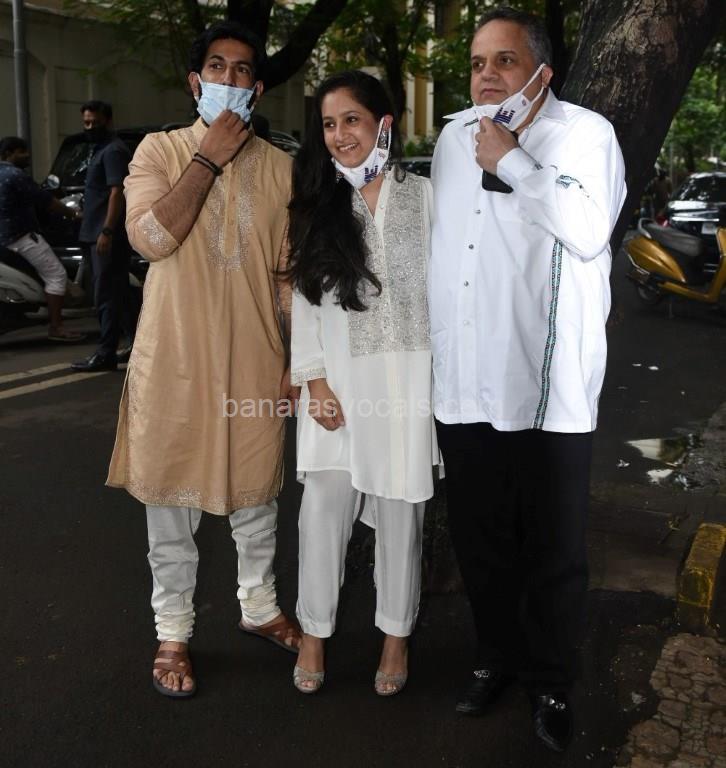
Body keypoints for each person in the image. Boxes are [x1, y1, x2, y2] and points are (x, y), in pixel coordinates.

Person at [430, 6, 626, 752]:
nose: (486, 75)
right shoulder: (453, 139)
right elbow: (447, 252)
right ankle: (495, 658)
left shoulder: (585, 135)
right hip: (464, 382)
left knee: (552, 548)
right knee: (481, 540)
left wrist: (510, 160)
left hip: (546, 391)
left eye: (504, 61)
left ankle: (550, 679)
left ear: (541, 73)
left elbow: (588, 230)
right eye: (478, 63)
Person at [106, 20, 301, 698]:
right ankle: (173, 631)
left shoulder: (281, 169)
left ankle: (260, 606)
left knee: (258, 498)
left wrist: (299, 359)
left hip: (254, 359)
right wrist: (207, 160)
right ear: (196, 82)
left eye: (242, 70)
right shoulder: (158, 151)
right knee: (171, 507)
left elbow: (286, 275)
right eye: (216, 67)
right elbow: (150, 239)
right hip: (175, 362)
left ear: (257, 89)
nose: (228, 78)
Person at [287, 70, 438, 696]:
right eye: (329, 124)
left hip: (409, 384)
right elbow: (305, 304)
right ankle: (314, 633)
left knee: (402, 517)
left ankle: (395, 637)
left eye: (352, 119)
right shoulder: (319, 207)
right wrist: (314, 382)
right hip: (340, 387)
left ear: (384, 124)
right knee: (322, 512)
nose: (340, 135)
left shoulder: (427, 198)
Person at [71, 100, 138, 371]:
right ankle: (135, 345)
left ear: (108, 121)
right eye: (86, 123)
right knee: (119, 293)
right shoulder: (99, 149)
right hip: (95, 232)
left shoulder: (113, 151)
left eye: (95, 123)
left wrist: (107, 230)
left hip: (106, 236)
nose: (89, 127)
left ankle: (106, 352)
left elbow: (116, 192)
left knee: (106, 294)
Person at [0, 136, 84, 341]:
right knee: (57, 275)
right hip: (20, 237)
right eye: (22, 152)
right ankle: (57, 327)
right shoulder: (16, 175)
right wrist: (73, 214)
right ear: (8, 154)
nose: (27, 155)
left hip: (4, 240)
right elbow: (46, 201)